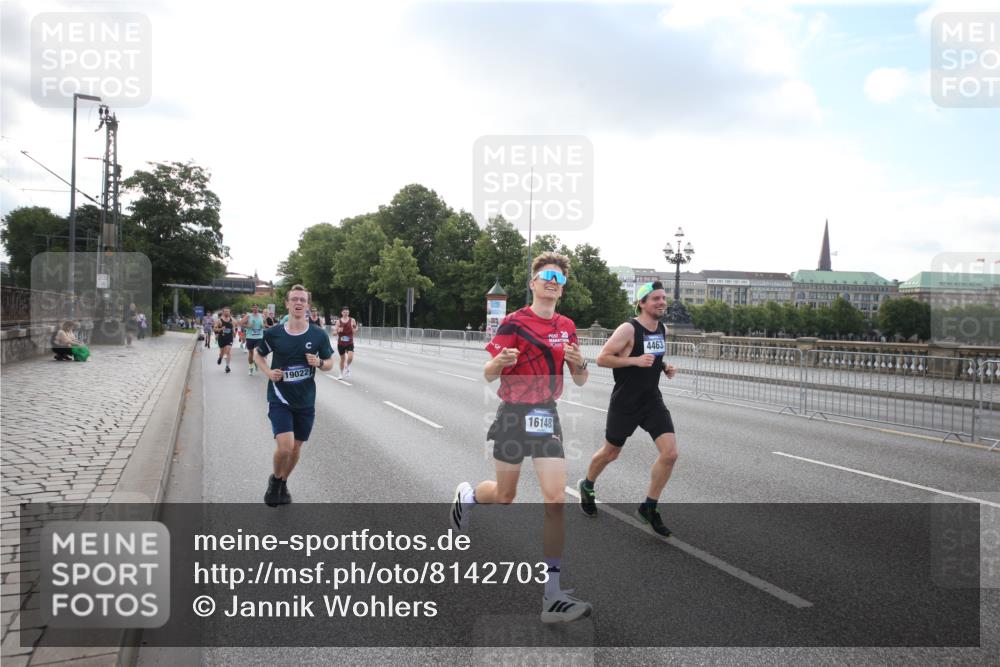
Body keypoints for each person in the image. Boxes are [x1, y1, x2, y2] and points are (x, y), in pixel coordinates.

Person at [450, 252, 592, 623]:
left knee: (556, 499)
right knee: (506, 495)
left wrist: (579, 364)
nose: (552, 281)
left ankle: (552, 596)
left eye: (558, 278)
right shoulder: (513, 322)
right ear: (532, 283)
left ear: (562, 289)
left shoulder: (567, 326)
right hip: (513, 414)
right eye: (546, 275)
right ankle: (468, 496)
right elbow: (487, 373)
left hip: (546, 413)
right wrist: (499, 363)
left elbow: (580, 379)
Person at [578, 281, 679, 537]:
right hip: (625, 402)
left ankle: (649, 507)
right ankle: (587, 485)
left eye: (663, 298)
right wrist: (634, 360)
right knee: (611, 453)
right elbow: (602, 358)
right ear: (642, 303)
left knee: (670, 454)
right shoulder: (629, 328)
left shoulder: (661, 329)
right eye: (655, 298)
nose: (661, 302)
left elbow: (652, 357)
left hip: (652, 400)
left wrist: (663, 366)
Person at [254, 285, 333, 506]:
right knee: (286, 446)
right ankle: (275, 480)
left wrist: (318, 362)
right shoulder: (274, 333)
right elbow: (258, 355)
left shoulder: (317, 334)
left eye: (302, 300)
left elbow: (329, 363)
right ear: (287, 304)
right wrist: (269, 372)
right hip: (280, 397)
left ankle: (282, 482)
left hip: (305, 400)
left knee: (297, 447)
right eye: (294, 300)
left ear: (307, 305)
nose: (298, 303)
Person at [333, 306, 358, 379]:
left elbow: (354, 330)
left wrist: (356, 329)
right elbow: (334, 333)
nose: (346, 313)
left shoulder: (352, 320)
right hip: (341, 343)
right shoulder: (338, 321)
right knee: (342, 359)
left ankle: (346, 367)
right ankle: (341, 374)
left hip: (350, 342)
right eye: (344, 312)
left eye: (347, 312)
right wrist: (337, 331)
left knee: (350, 357)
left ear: (348, 312)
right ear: (342, 313)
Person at [241, 305, 266, 375]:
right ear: (252, 308)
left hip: (259, 337)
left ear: (258, 308)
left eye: (256, 307)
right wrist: (248, 326)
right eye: (254, 307)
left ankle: (256, 360)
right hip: (250, 337)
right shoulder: (248, 316)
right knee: (251, 353)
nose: (255, 309)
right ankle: (251, 367)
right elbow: (241, 323)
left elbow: (265, 325)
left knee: (257, 351)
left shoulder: (262, 316)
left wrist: (263, 326)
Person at [213, 306, 236, 373]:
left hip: (229, 338)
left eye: (228, 311)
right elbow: (214, 329)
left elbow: (233, 327)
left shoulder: (232, 320)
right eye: (225, 311)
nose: (227, 312)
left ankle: (227, 366)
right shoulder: (219, 320)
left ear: (230, 312)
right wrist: (220, 329)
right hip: (222, 338)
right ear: (223, 312)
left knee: (228, 351)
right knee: (222, 352)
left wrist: (234, 332)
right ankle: (220, 357)